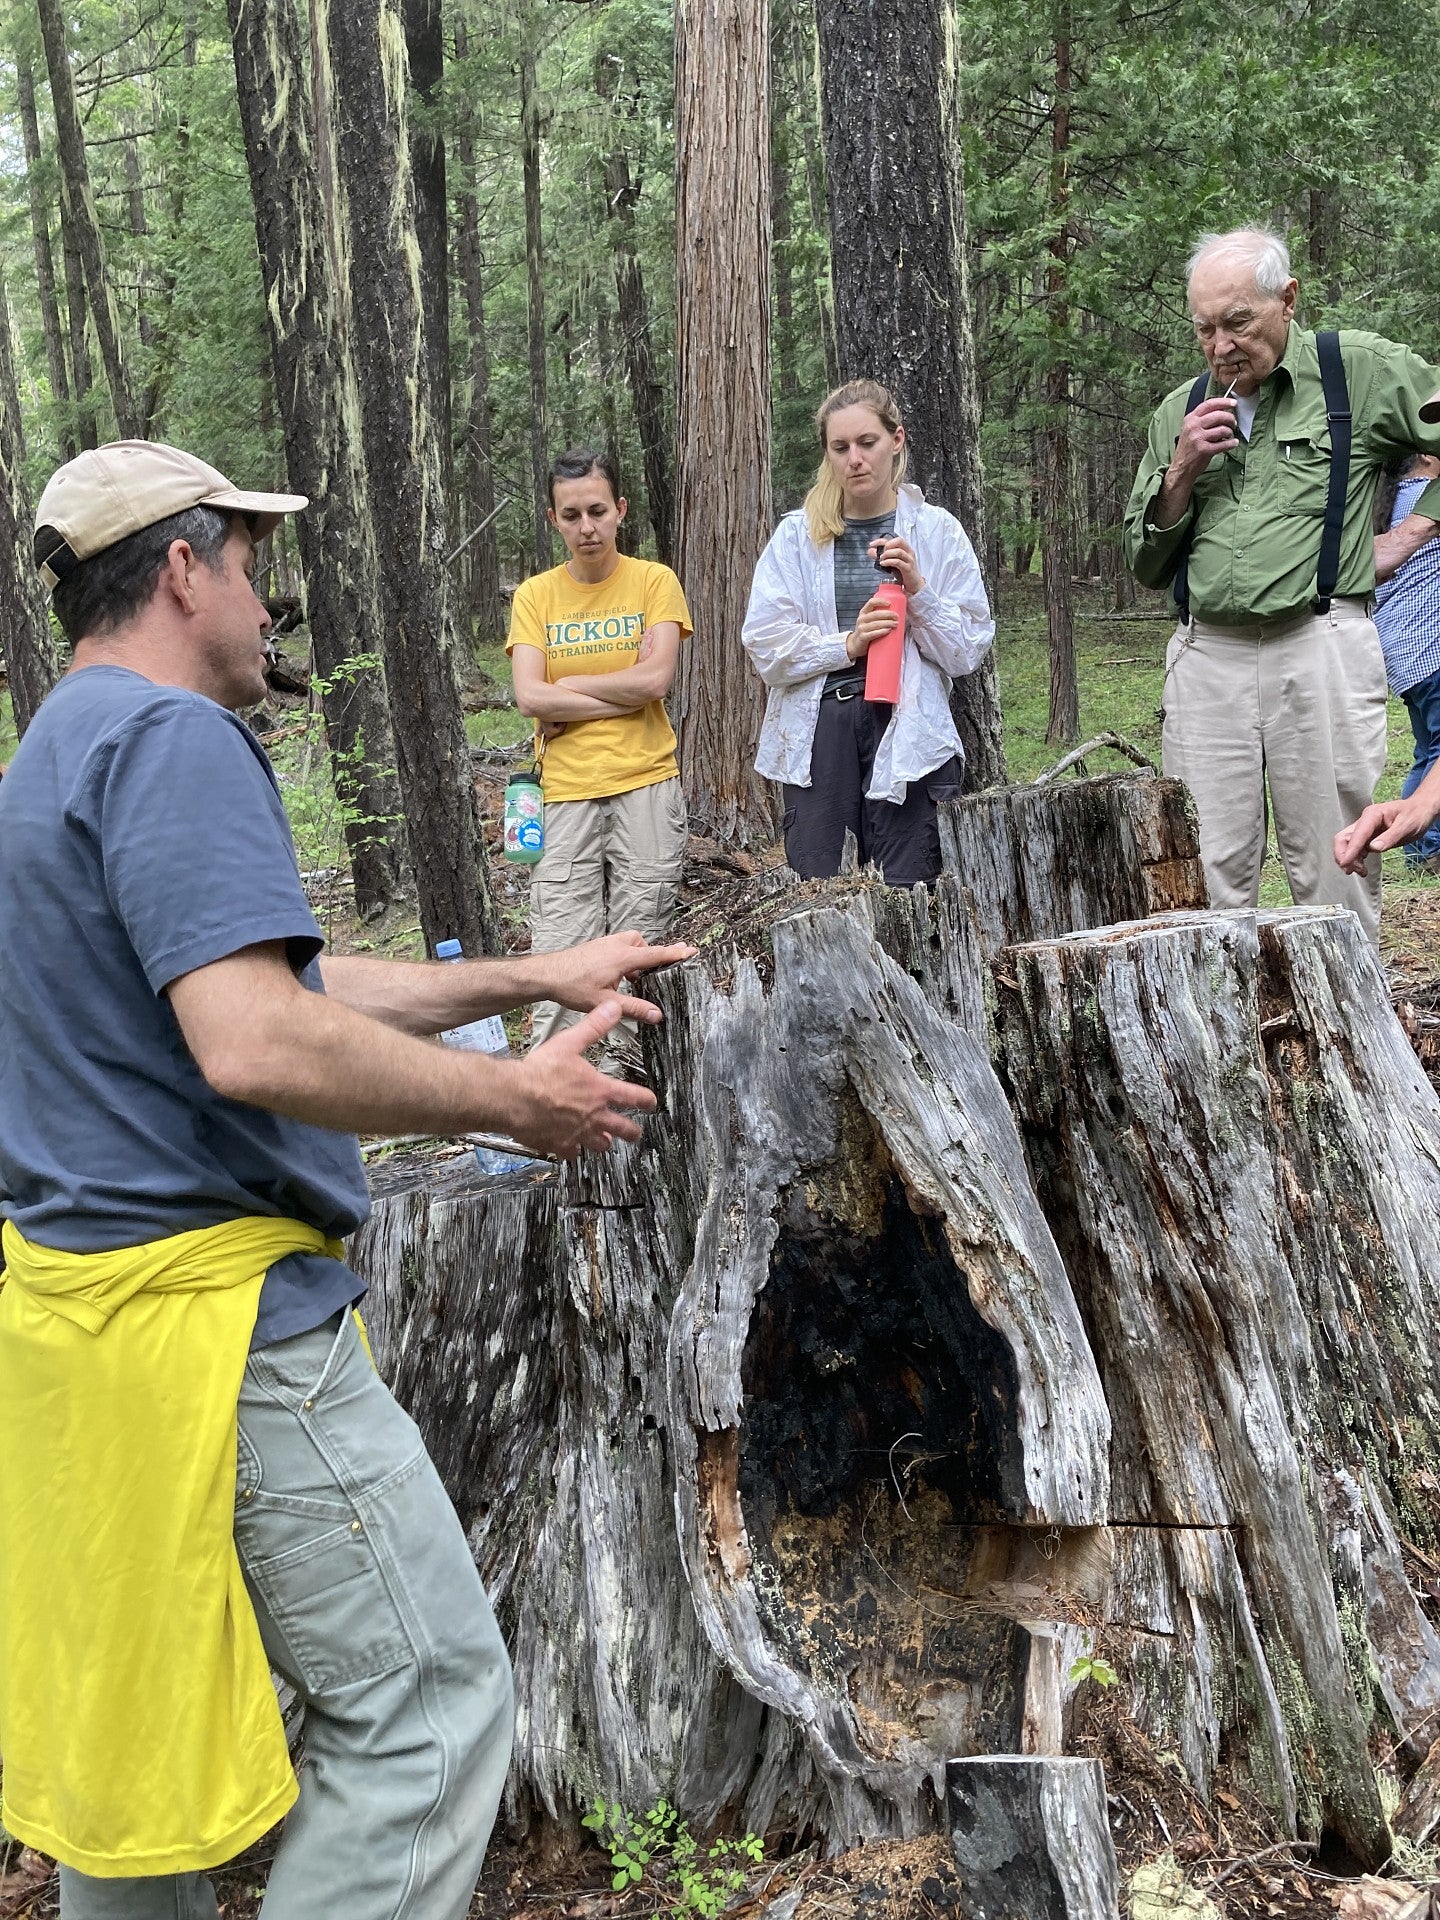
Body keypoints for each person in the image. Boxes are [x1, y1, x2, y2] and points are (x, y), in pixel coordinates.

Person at [0, 439, 692, 1920]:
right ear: (183, 568)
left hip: (83, 1345)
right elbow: (253, 1039)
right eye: (250, 566)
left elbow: (266, 980)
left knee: (149, 1786)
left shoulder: (59, 744)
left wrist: (525, 971)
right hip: (226, 1334)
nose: (268, 605)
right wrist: (518, 1099)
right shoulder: (175, 741)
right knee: (432, 1719)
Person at [1123, 226, 1440, 944]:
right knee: (1204, 872)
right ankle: (1217, 1042)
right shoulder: (1180, 410)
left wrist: (1413, 531)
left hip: (1321, 641)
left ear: (1287, 299)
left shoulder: (1358, 371)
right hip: (1207, 659)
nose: (1221, 345)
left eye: (1238, 322)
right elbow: (1144, 564)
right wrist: (1181, 473)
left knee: (1336, 864)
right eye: (1205, 328)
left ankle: (1347, 1043)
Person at [740, 378, 994, 887]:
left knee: (912, 887)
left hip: (908, 722)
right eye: (841, 447)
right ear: (828, 454)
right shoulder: (797, 536)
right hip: (819, 727)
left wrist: (918, 590)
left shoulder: (936, 531)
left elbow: (967, 649)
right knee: (820, 889)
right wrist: (847, 644)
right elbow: (765, 645)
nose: (855, 458)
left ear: (896, 440)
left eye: (867, 443)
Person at [507, 448, 692, 1047]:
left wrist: (570, 687)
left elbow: (656, 681)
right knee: (562, 951)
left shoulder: (653, 582)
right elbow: (530, 698)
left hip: (645, 784)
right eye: (571, 515)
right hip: (563, 795)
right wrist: (620, 693)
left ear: (620, 510)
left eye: (596, 511)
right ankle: (561, 1099)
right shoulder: (535, 597)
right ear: (552, 520)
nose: (586, 528)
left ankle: (634, 1101)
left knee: (641, 948)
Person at [1372, 453, 1440, 869]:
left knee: (1428, 750)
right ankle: (1426, 849)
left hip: (1402, 655)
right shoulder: (1427, 501)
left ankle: (1419, 847)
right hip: (1432, 645)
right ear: (1428, 457)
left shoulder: (1388, 505)